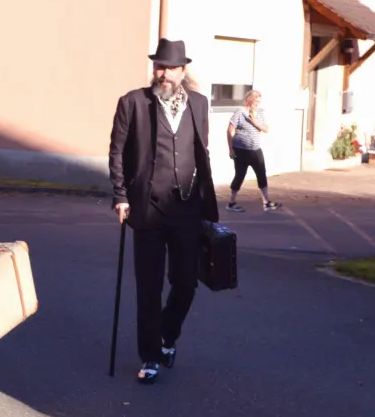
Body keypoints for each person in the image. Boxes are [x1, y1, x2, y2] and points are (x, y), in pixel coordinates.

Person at [108, 38, 220, 384]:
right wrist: (121, 194)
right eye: (159, 66)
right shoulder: (134, 103)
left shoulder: (199, 104)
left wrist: (206, 199)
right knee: (148, 287)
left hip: (187, 208)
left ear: (183, 70)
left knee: (186, 283)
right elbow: (116, 152)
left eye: (170, 68)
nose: (163, 73)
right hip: (148, 208)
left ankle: (168, 336)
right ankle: (150, 356)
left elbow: (201, 150)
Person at [225, 90, 281, 212]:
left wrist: (255, 122)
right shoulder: (240, 113)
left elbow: (266, 129)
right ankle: (231, 202)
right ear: (249, 99)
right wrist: (230, 149)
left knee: (261, 174)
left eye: (259, 102)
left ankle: (266, 202)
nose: (257, 104)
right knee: (240, 175)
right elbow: (229, 131)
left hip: (255, 149)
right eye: (256, 101)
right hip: (240, 150)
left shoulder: (260, 113)